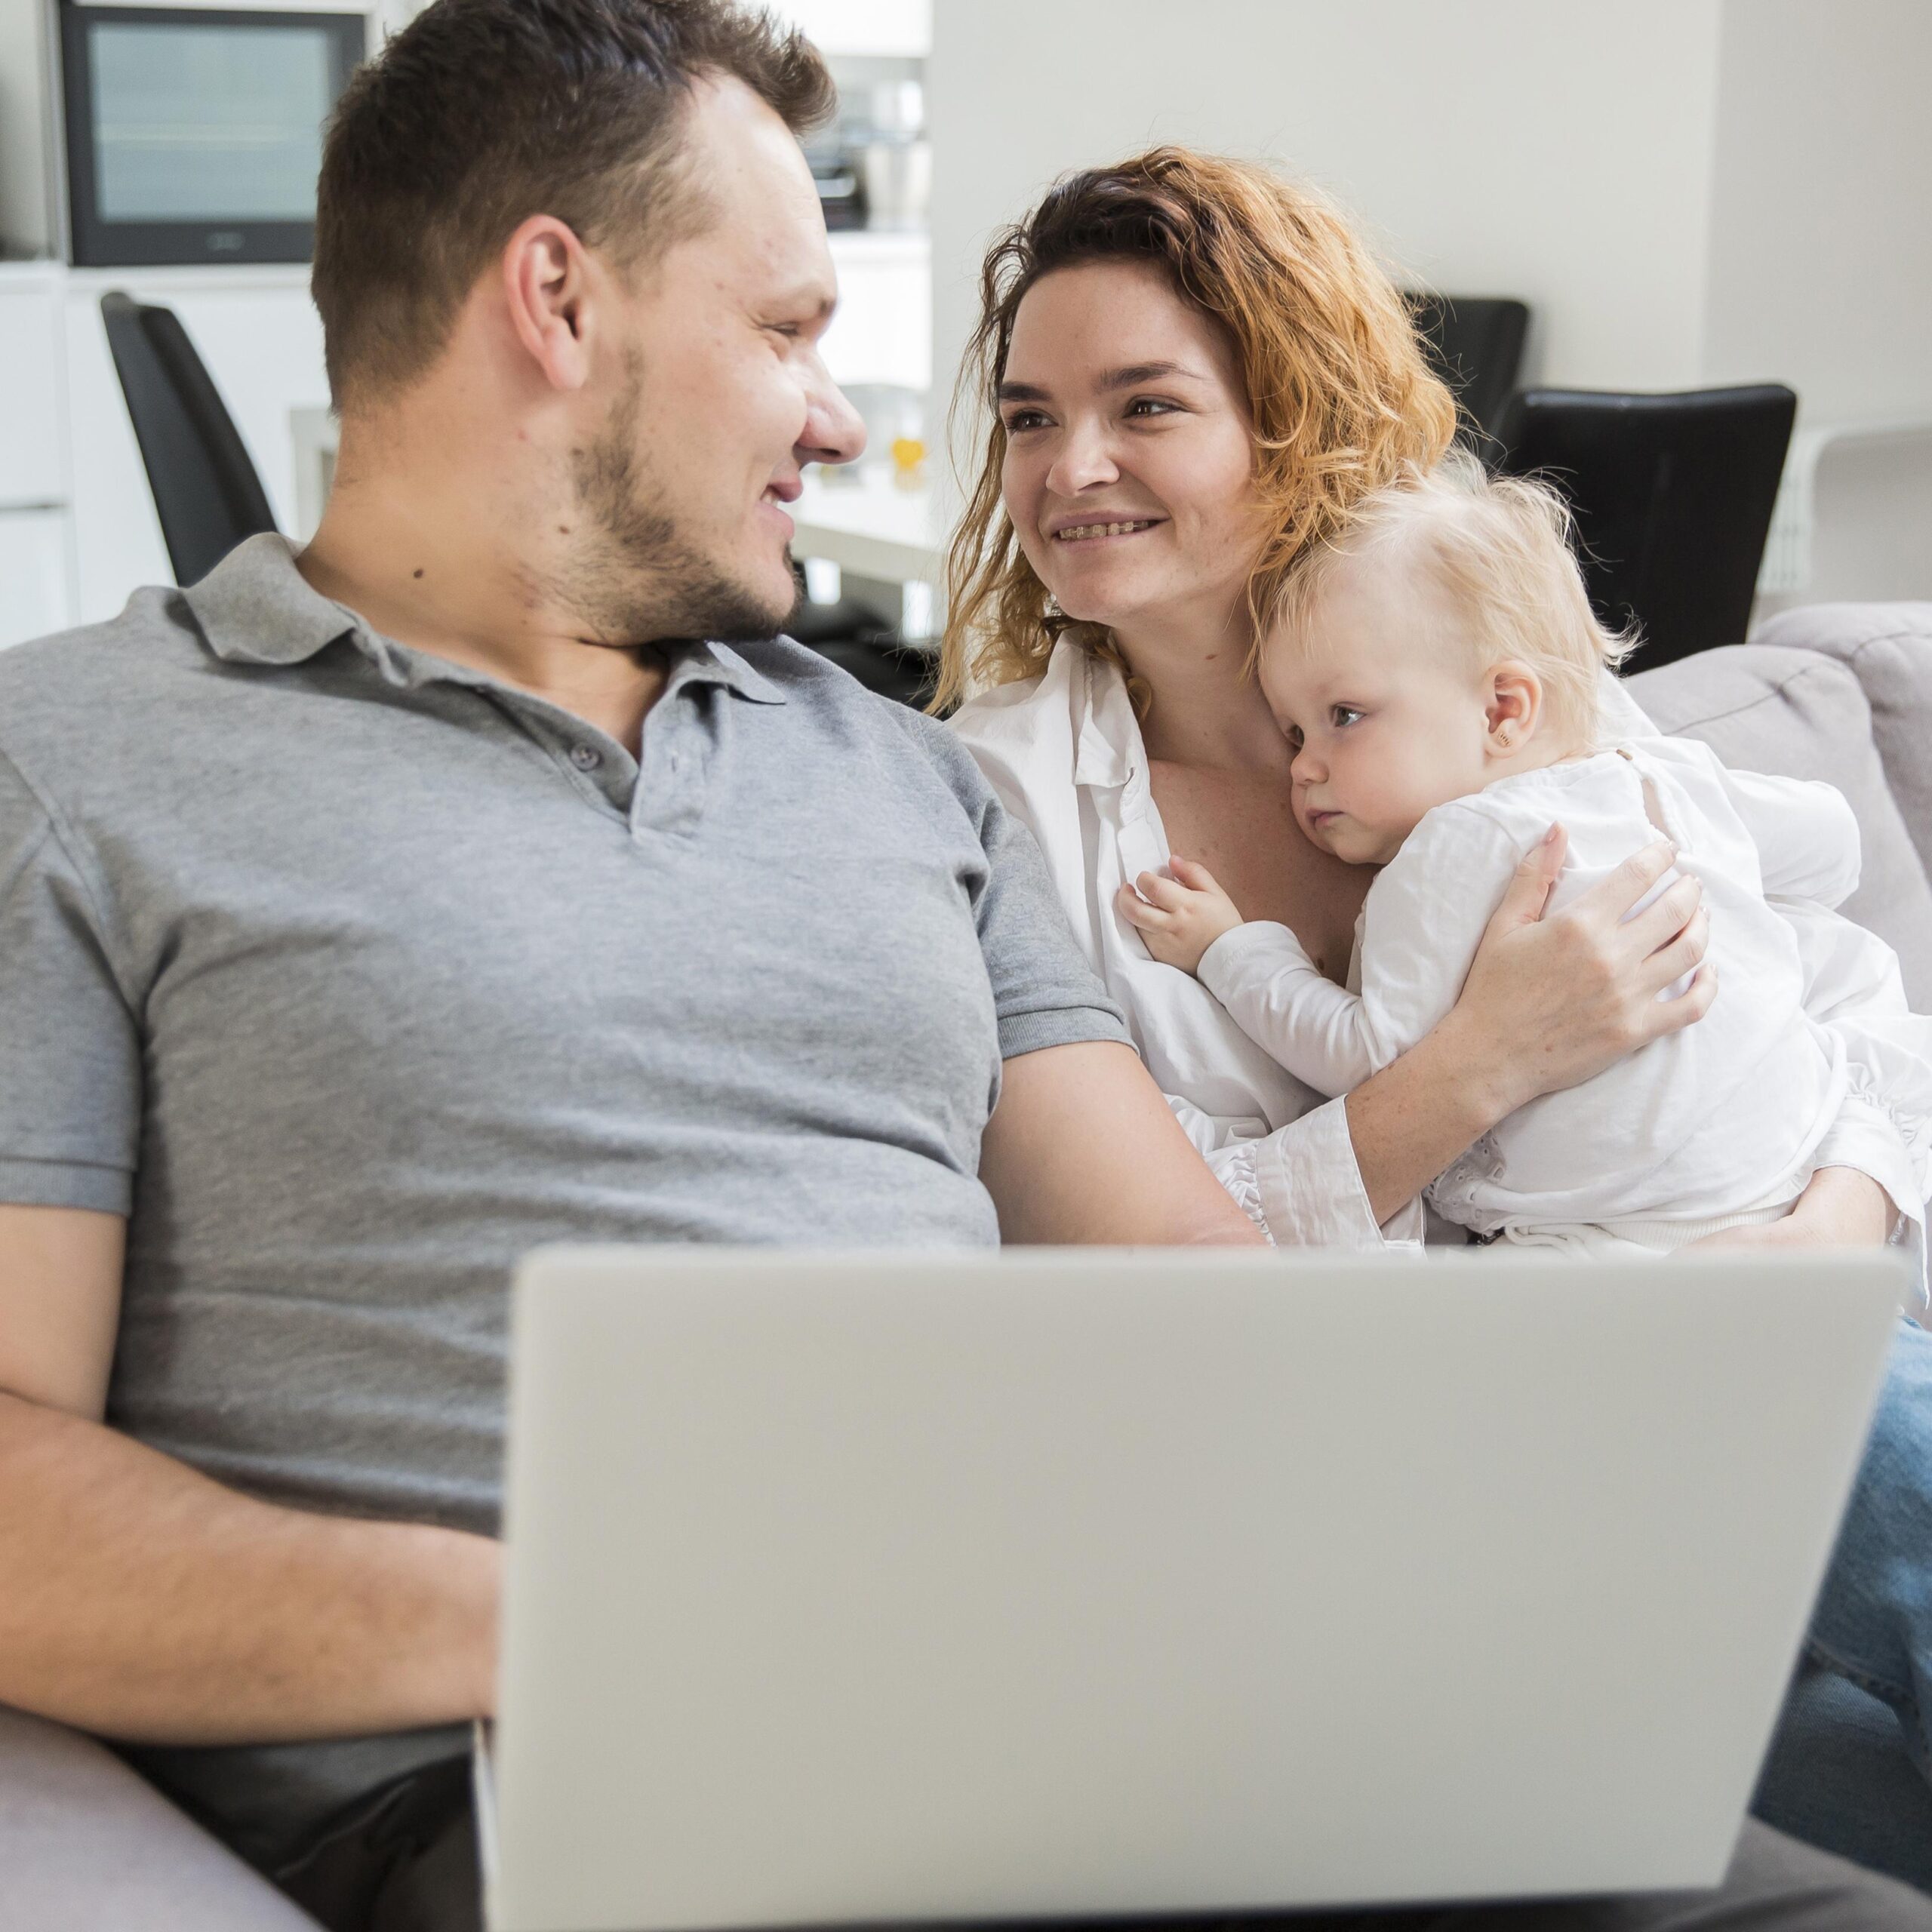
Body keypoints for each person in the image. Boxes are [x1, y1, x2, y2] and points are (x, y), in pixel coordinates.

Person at [0, 8, 1266, 1929]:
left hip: (1053, 1718)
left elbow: (1178, 1274)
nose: (831, 418)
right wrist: (576, 1619)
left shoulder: (912, 779)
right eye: (782, 331)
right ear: (554, 302)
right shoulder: (69, 765)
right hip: (555, 1788)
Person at [943, 147, 1932, 1891]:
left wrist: (1821, 1233)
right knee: (1863, 1428)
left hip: (1696, 1406)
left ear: (1292, 417)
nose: (1067, 466)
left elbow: (1843, 986)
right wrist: (1481, 1059)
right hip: (1370, 1487)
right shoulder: (998, 806)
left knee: (1826, 1767)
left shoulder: (1478, 668)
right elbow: (1114, 1260)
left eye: (1142, 404)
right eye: (1028, 415)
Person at [1120, 459, 1932, 1258]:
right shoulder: (1660, 776)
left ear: (1503, 710)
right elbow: (1834, 844)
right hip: (1795, 1176)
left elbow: (1366, 1058)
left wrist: (1231, 951)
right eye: (1295, 732)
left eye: (1344, 715)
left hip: (1619, 1245)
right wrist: (1720, 855)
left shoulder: (1450, 849)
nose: (1303, 765)